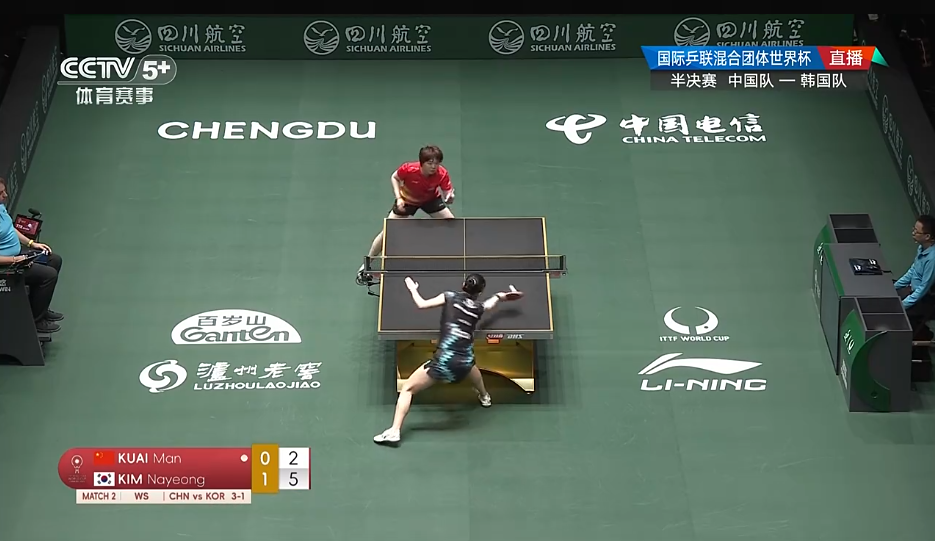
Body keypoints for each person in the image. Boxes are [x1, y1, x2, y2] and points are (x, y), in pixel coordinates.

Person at [374, 274, 523, 445]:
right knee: (471, 366)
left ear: (463, 284)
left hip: (444, 363)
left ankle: (394, 431)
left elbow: (421, 304)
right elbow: (489, 304)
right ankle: (485, 396)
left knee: (407, 389)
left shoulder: (449, 296)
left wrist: (413, 289)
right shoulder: (478, 307)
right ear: (480, 292)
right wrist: (501, 296)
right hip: (465, 360)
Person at [357, 145, 455, 285]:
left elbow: (447, 193)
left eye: (437, 163)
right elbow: (394, 177)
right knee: (387, 232)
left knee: (451, 222)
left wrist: (449, 198)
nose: (434, 166)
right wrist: (399, 198)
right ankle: (367, 264)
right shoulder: (409, 169)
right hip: (407, 200)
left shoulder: (442, 173)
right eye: (430, 163)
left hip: (430, 200)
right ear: (421, 163)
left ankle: (450, 258)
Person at [0, 177, 64, 333]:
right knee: (49, 275)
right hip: (6, 265)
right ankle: (35, 322)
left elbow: (10, 229)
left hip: (17, 255)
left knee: (54, 259)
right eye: (1, 193)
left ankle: (40, 308)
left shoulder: (0, 207)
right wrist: (15, 259)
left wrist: (31, 244)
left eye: (4, 191)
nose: (5, 195)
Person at [896, 215, 935, 358]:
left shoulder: (932, 259)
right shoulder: (921, 248)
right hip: (913, 291)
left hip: (927, 300)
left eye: (916, 231)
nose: (913, 233)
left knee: (898, 313)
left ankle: (908, 351)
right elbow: (912, 271)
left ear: (927, 236)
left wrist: (903, 305)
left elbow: (923, 289)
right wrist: (894, 286)